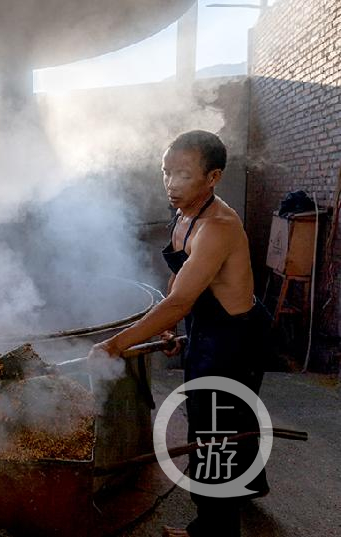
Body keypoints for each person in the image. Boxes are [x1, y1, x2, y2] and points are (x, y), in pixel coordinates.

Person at [91, 131, 270, 537]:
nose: (171, 183)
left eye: (183, 174)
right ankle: (249, 486)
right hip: (209, 326)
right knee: (234, 417)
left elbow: (180, 300)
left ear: (213, 177)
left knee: (213, 432)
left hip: (234, 337)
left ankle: (212, 529)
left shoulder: (219, 226)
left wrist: (116, 344)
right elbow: (180, 275)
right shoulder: (184, 211)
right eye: (166, 172)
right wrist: (170, 326)